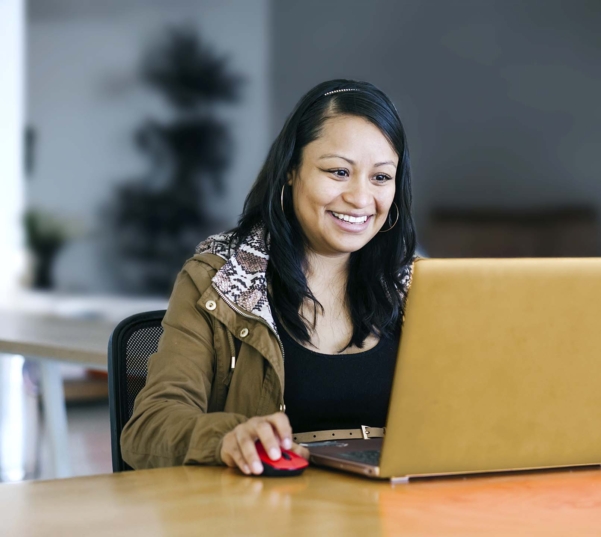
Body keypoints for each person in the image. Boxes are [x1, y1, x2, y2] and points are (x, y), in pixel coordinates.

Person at [121, 79, 416, 475]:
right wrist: (228, 437)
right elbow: (148, 428)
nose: (362, 199)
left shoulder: (414, 286)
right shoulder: (220, 278)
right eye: (339, 171)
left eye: (381, 178)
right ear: (291, 171)